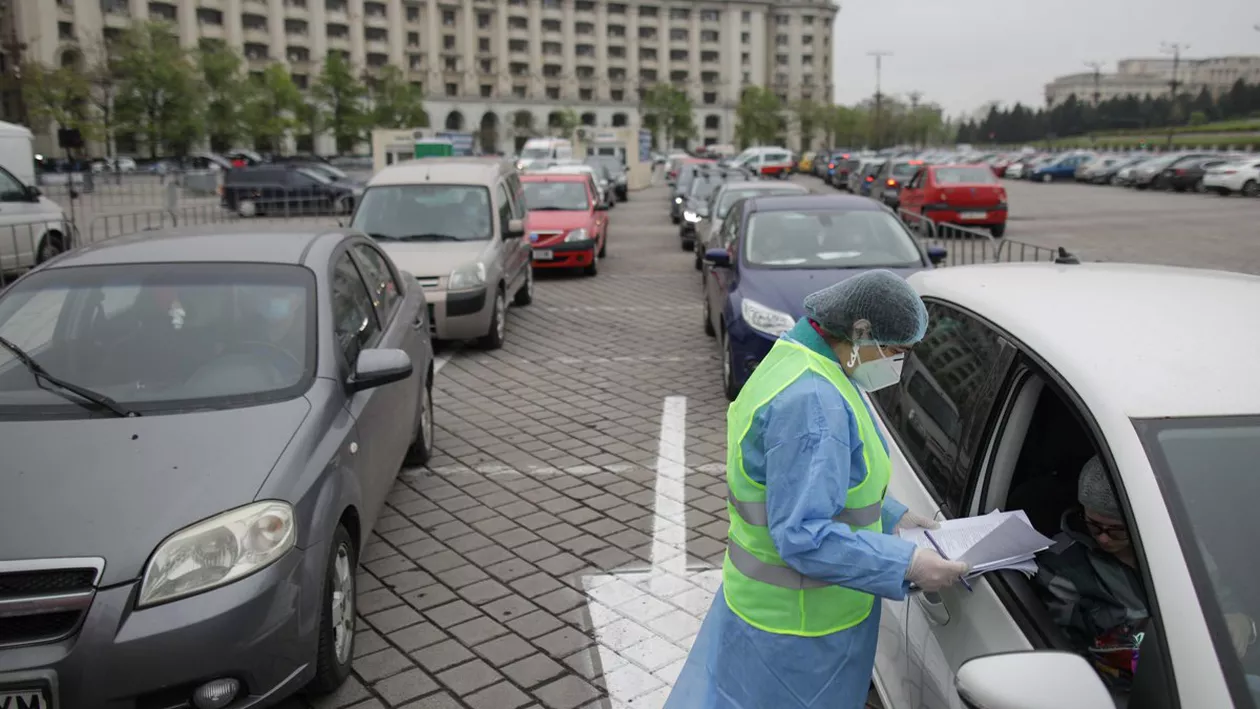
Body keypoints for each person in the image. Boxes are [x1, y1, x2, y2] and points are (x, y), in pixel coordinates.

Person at [665, 270, 970, 709]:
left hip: (774, 614)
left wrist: (891, 516)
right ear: (862, 332)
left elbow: (818, 484)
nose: (898, 364)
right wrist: (909, 563)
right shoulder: (814, 402)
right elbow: (802, 535)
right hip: (799, 633)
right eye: (896, 351)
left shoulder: (803, 360)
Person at [1034, 456, 1255, 686]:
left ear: (1140, 519)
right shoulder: (1061, 566)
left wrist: (1243, 623)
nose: (1103, 537)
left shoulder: (1182, 544)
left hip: (1206, 678)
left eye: (1117, 530)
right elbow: (1064, 656)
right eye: (1093, 524)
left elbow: (1220, 597)